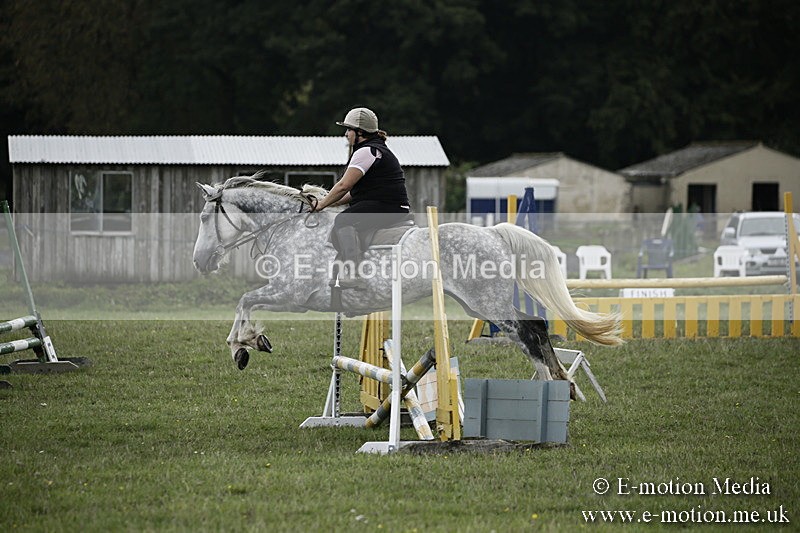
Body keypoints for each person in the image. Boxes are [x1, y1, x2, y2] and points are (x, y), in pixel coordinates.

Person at [313, 107, 412, 289]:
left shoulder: (366, 151)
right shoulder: (374, 150)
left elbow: (344, 186)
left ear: (360, 133)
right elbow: (354, 194)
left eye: (348, 130)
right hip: (389, 205)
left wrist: (320, 205)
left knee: (343, 220)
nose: (346, 134)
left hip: (388, 207)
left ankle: (353, 273)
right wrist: (328, 203)